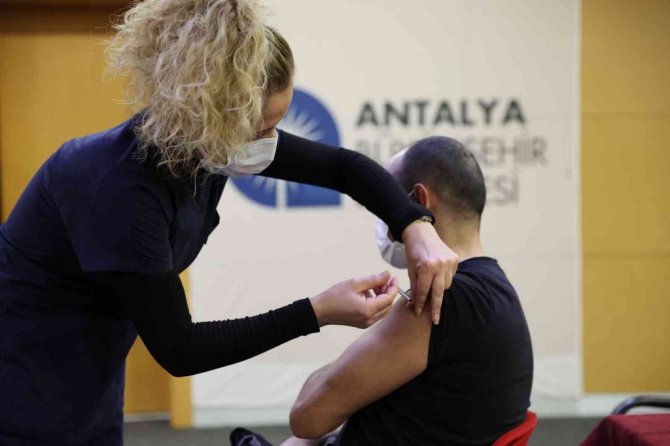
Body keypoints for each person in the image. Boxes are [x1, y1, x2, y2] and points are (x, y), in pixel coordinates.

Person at [0, 1, 458, 444]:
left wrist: (416, 226)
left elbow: (344, 168)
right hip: (23, 379)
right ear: (205, 116)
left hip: (93, 372)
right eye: (260, 131)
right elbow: (180, 349)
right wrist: (318, 311)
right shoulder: (118, 188)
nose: (271, 142)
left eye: (275, 125)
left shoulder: (206, 148)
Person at [277, 137, 534, 446]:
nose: (383, 215)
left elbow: (306, 416)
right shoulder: (496, 289)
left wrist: (330, 321)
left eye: (386, 201)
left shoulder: (443, 296)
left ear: (418, 200)